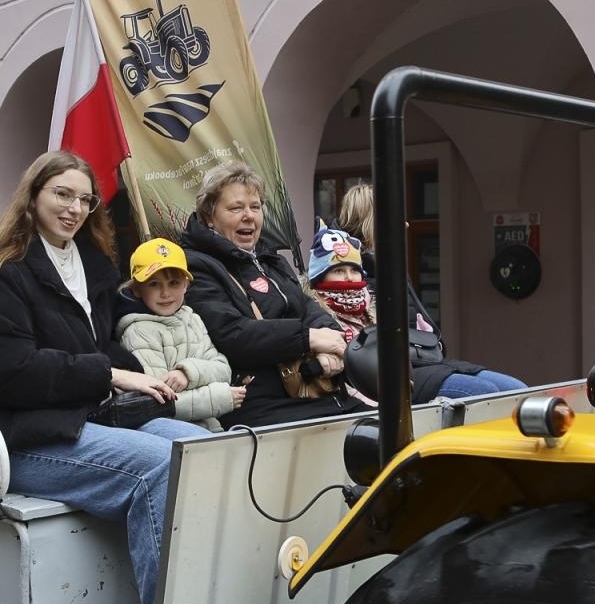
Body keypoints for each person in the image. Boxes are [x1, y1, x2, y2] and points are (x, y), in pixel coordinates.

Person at [0, 150, 201, 604]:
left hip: (92, 421)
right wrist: (107, 373)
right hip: (30, 439)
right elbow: (8, 372)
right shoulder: (6, 274)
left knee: (202, 447)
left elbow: (99, 344)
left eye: (85, 199)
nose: (74, 208)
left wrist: (140, 374)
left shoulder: (90, 265)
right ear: (32, 198)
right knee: (161, 465)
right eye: (62, 194)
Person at [181, 161, 364, 427]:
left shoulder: (271, 259)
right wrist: (308, 338)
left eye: (255, 207)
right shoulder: (196, 265)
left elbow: (308, 307)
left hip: (317, 392)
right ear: (209, 216)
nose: (249, 216)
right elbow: (231, 335)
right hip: (258, 403)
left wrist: (333, 348)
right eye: (236, 208)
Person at [337, 184, 526, 400]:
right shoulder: (354, 273)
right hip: (398, 370)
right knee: (484, 393)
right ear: (374, 222)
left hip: (424, 360)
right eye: (396, 217)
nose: (406, 225)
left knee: (517, 390)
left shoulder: (389, 265)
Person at [116, 238, 246, 431]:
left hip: (210, 426)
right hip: (169, 433)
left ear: (186, 284)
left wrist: (187, 373)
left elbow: (222, 369)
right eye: (154, 284)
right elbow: (159, 400)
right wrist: (219, 397)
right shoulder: (138, 331)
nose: (165, 293)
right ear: (137, 289)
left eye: (174, 283)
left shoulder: (192, 319)